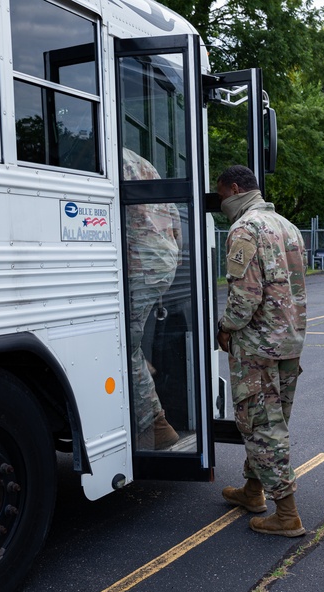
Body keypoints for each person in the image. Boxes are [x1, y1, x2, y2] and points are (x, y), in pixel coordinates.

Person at [216, 165, 308, 537]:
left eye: (221, 196)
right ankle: (253, 490)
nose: (221, 204)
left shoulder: (245, 228)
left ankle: (286, 513)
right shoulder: (288, 226)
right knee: (271, 419)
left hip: (257, 344)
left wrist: (225, 327)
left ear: (235, 189)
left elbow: (245, 295)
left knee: (261, 425)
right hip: (288, 340)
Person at [124, 147, 182, 450]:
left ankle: (157, 423)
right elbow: (171, 214)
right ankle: (143, 365)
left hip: (138, 263)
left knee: (124, 345)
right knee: (131, 337)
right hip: (163, 260)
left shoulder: (106, 157)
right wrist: (175, 252)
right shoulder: (143, 163)